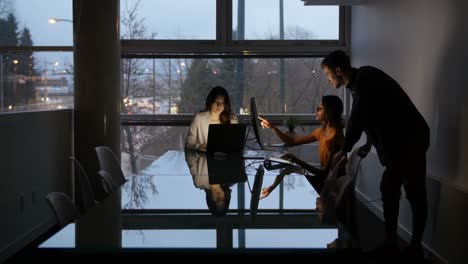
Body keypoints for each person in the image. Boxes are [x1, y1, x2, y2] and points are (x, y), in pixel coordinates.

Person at [321, 50, 430, 257]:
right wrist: (370, 143)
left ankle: (412, 248)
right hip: (403, 140)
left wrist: (344, 149)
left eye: (328, 75)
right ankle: (395, 244)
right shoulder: (361, 81)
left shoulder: (364, 79)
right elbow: (378, 112)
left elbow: (359, 115)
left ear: (338, 70)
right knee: (392, 188)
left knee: (412, 191)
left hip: (410, 139)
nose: (328, 80)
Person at [258, 95, 345, 199]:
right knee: (288, 169)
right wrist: (272, 127)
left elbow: (323, 174)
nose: (316, 110)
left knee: (290, 168)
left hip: (328, 183)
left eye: (320, 108)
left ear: (329, 112)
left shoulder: (334, 138)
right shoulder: (321, 132)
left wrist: (295, 159)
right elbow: (291, 141)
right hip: (323, 177)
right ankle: (272, 188)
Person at [185, 86, 238, 151]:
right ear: (210, 102)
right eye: (217, 102)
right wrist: (201, 146)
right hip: (204, 159)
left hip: (226, 159)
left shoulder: (232, 119)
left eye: (222, 103)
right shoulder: (199, 119)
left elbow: (236, 144)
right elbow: (188, 144)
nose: (219, 105)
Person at [184, 150, 232, 217]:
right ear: (226, 196)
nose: (219, 196)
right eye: (222, 199)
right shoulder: (230, 178)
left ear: (210, 200)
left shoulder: (199, 181)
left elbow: (190, 156)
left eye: (216, 200)